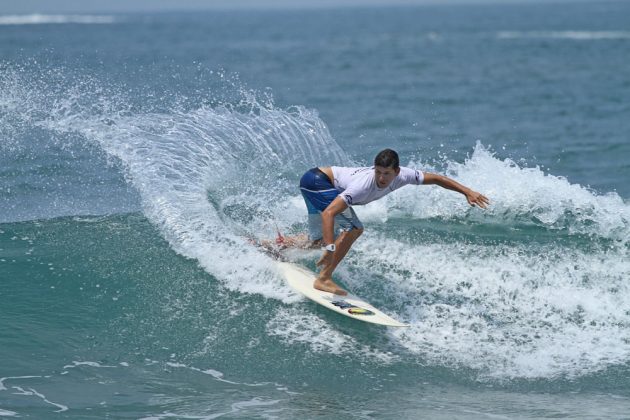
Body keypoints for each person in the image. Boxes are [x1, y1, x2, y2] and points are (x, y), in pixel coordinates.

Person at [299, 148, 489, 296]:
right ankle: (323, 278)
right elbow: (329, 213)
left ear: (396, 172)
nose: (381, 178)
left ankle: (276, 247)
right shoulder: (362, 186)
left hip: (312, 179)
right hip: (318, 183)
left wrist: (467, 191)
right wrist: (331, 250)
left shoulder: (405, 175)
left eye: (387, 173)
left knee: (320, 240)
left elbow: (437, 179)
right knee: (354, 228)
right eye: (378, 172)